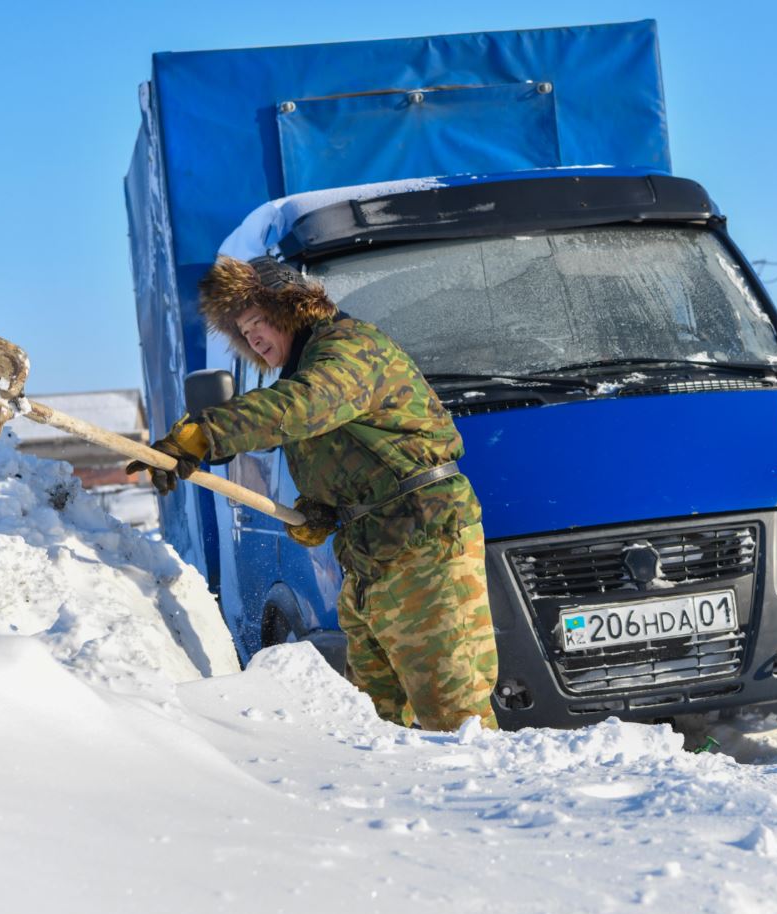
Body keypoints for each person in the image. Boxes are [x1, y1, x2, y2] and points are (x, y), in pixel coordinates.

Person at [130, 255, 500, 731]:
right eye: (244, 332)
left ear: (291, 309)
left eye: (259, 322)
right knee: (381, 723)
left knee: (455, 719)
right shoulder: (304, 369)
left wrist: (207, 432)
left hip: (424, 545)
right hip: (370, 557)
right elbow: (350, 455)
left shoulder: (348, 349)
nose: (254, 338)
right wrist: (323, 508)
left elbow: (309, 404)